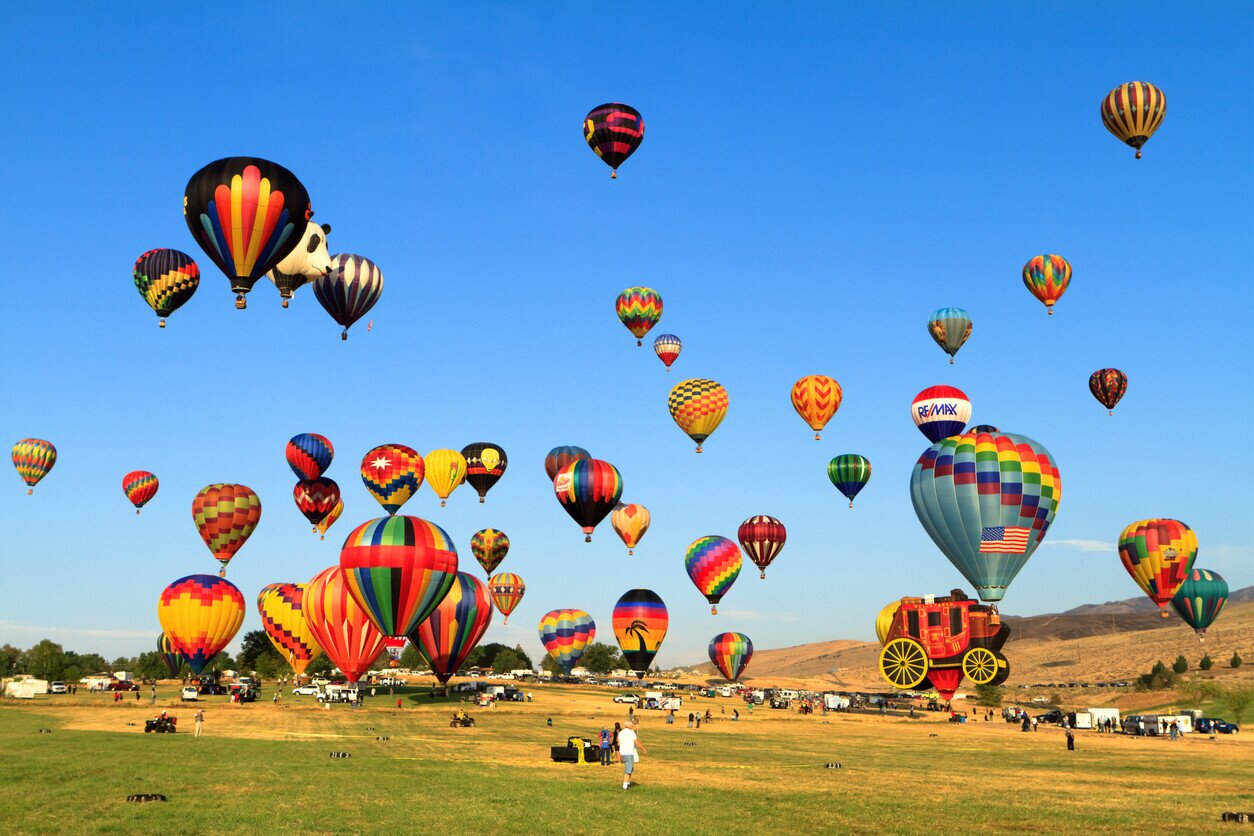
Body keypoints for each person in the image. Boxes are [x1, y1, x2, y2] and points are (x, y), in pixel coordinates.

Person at [617, 719, 647, 790]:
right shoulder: (631, 732)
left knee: (630, 768)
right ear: (630, 726)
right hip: (629, 753)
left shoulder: (621, 732)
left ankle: (628, 783)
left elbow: (618, 743)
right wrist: (643, 749)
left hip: (623, 753)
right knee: (628, 770)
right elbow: (637, 742)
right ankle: (625, 787)